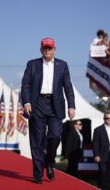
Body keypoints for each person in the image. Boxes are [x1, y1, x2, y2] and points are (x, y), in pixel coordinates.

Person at [21, 37, 76, 184]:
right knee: (37, 142)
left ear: (54, 50)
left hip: (55, 105)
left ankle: (49, 162)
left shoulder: (62, 65)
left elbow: (68, 87)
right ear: (41, 50)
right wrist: (26, 102)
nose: (47, 50)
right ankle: (38, 175)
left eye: (49, 48)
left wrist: (71, 105)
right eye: (45, 48)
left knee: (55, 136)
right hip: (37, 104)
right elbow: (25, 85)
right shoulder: (32, 64)